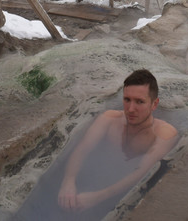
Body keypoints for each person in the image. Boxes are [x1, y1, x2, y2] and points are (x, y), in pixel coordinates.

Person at [57, 69, 178, 212]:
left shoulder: (164, 133)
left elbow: (141, 173)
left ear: (154, 104)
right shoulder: (109, 119)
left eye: (139, 102)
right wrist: (68, 180)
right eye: (127, 100)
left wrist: (98, 197)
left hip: (128, 195)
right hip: (99, 177)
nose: (131, 109)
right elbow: (83, 149)